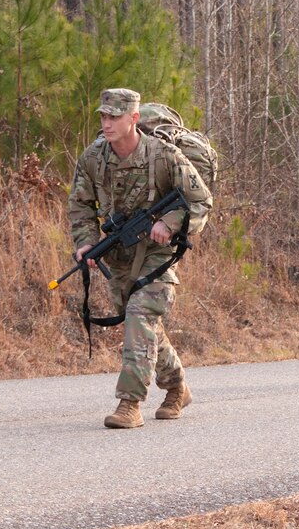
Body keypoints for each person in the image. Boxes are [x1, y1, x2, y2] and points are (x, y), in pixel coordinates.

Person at [68, 88, 212, 428]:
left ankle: (129, 404)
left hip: (157, 254)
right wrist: (87, 242)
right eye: (103, 116)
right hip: (119, 253)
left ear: (134, 118)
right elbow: (80, 205)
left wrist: (170, 222)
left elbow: (201, 200)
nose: (107, 123)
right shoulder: (93, 158)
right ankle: (177, 387)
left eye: (115, 117)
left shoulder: (164, 156)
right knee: (142, 324)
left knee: (139, 313)